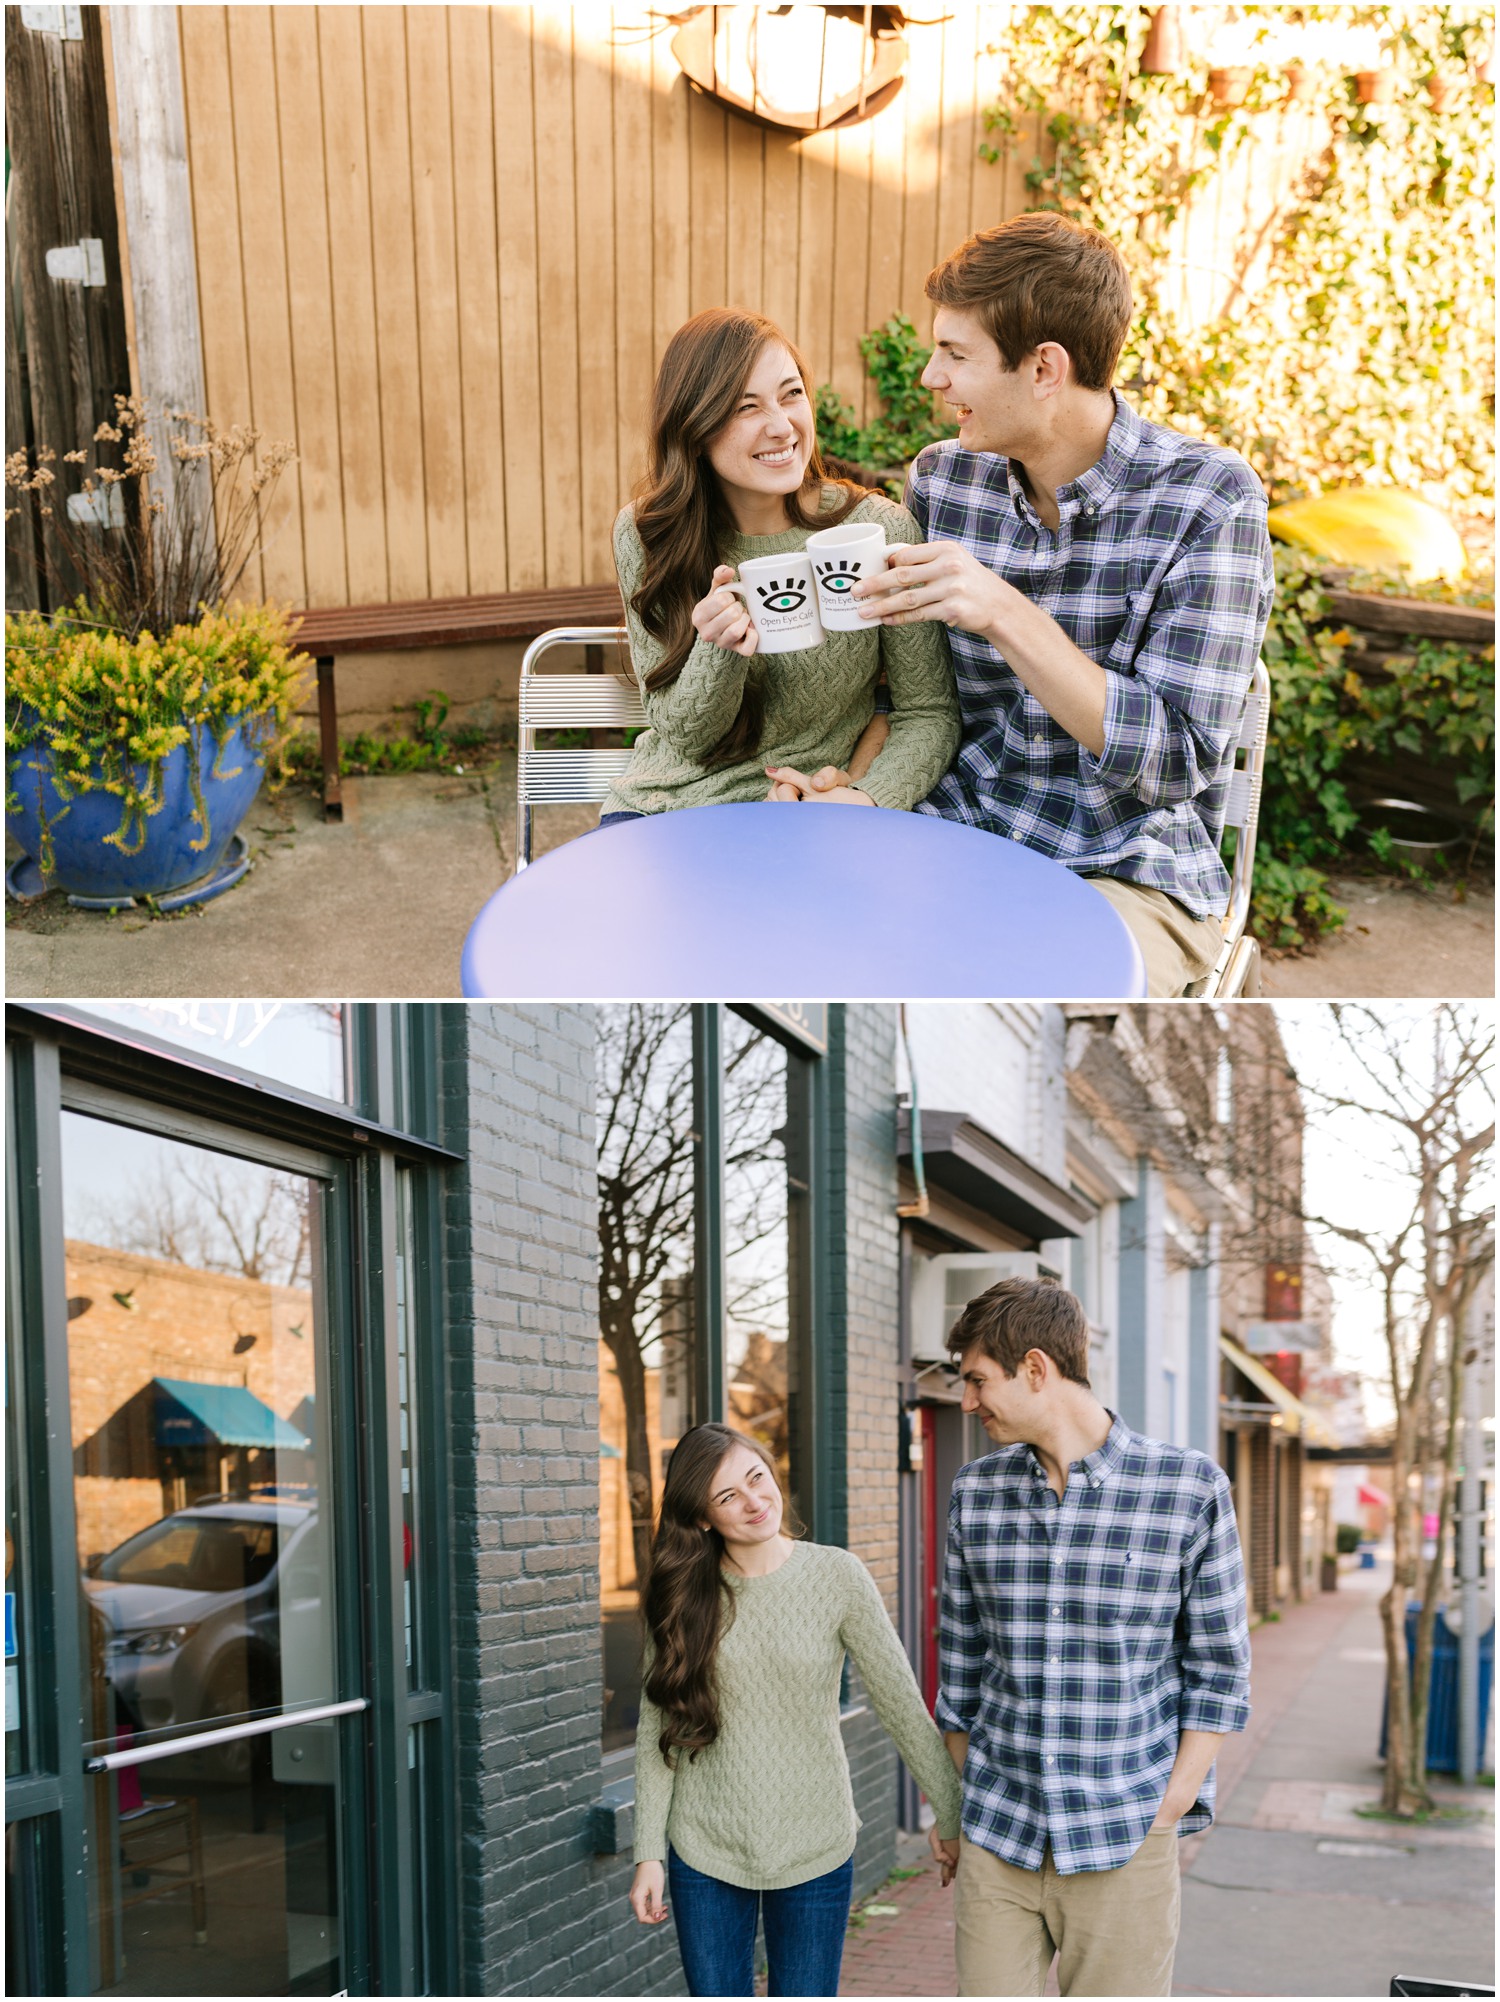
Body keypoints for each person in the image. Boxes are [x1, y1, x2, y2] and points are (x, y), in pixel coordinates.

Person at [848, 212, 1275, 997]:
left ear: (1044, 367)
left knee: (1043, 1003)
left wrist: (1005, 613)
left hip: (1127, 866)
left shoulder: (1207, 501)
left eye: (955, 354)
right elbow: (908, 700)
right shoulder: (946, 480)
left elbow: (1177, 762)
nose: (930, 379)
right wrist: (851, 793)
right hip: (955, 833)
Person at [937, 1276, 1250, 1998]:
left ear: (1038, 1369)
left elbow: (1220, 1676)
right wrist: (966, 1801)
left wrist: (1165, 1813)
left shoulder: (1189, 1488)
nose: (968, 1401)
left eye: (979, 1381)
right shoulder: (975, 1495)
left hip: (1124, 1839)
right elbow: (960, 1673)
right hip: (999, 1838)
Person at [627, 1422, 961, 1997]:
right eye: (727, 1496)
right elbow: (658, 1729)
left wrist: (950, 1814)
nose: (754, 1502)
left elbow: (902, 1706)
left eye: (756, 1478)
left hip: (815, 1839)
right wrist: (647, 1855)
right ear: (703, 1517)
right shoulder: (682, 1596)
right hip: (706, 1844)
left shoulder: (837, 1576)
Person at [600, 308, 959, 825]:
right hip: (668, 809)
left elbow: (928, 712)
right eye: (746, 407)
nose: (781, 425)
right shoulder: (649, 532)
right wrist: (716, 649)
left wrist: (868, 798)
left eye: (791, 394)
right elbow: (685, 737)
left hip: (812, 810)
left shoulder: (876, 532)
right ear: (695, 427)